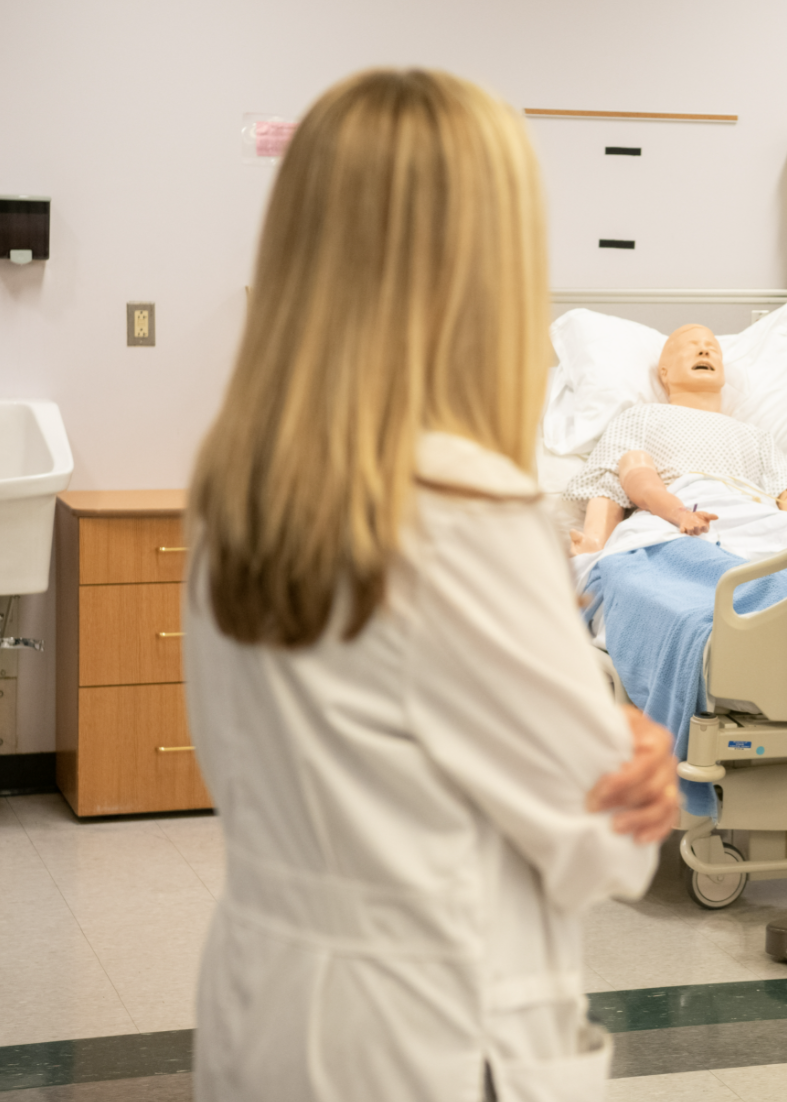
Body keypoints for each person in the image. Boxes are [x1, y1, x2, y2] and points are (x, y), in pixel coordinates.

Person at [183, 68, 680, 1101]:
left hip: (268, 1006)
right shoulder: (461, 508)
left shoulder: (239, 489)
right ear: (481, 268)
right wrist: (631, 759)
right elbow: (599, 845)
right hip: (430, 1035)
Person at [566, 324, 787, 552]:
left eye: (712, 348)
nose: (704, 351)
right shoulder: (641, 417)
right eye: (690, 347)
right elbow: (609, 487)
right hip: (670, 522)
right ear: (664, 372)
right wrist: (595, 544)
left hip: (752, 522)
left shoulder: (757, 436)